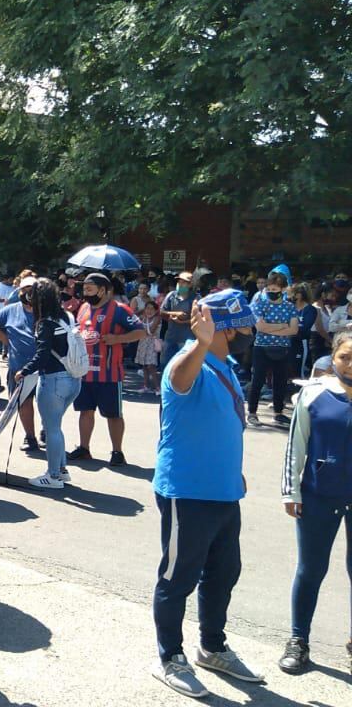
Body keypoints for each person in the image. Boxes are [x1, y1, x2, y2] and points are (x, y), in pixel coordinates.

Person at [150, 291, 262, 699]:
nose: (249, 332)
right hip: (189, 491)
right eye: (243, 326)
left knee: (224, 572)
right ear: (223, 328)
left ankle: (212, 647)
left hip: (224, 492)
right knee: (177, 577)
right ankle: (170, 657)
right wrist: (199, 341)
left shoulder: (226, 366)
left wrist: (235, 474)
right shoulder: (190, 361)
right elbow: (179, 381)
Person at [278, 329, 352, 674]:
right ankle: (298, 640)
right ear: (332, 358)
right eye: (345, 357)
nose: (350, 365)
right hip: (318, 495)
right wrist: (291, 491)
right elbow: (297, 446)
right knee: (311, 570)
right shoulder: (313, 394)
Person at [68, 272, 144, 466]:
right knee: (85, 411)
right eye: (84, 288)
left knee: (113, 414)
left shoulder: (120, 310)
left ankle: (117, 451)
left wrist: (118, 339)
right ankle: (84, 448)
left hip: (109, 373)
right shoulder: (83, 308)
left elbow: (141, 331)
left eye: (89, 289)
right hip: (85, 372)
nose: (85, 292)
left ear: (103, 290)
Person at [14, 279, 83, 489]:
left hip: (53, 380)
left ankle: (53, 476)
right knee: (56, 427)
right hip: (73, 377)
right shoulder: (67, 317)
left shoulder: (45, 323)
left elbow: (42, 354)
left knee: (51, 428)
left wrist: (24, 371)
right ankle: (61, 470)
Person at [0, 275, 40, 450]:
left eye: (31, 290)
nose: (27, 293)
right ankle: (30, 438)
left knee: (46, 404)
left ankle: (47, 432)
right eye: (24, 290)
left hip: (44, 368)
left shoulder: (46, 310)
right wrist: (6, 341)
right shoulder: (11, 309)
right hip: (18, 367)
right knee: (23, 403)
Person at [248, 273, 299, 425]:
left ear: (282, 289)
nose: (271, 291)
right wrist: (283, 326)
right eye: (269, 288)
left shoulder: (289, 307)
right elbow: (260, 327)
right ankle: (252, 412)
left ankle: (278, 412)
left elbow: (294, 330)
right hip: (261, 348)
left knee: (280, 381)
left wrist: (271, 328)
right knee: (257, 380)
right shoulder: (260, 304)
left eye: (275, 288)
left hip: (282, 348)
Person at [160, 272, 197, 367]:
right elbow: (161, 312)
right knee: (165, 364)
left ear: (190, 285)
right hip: (171, 336)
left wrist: (183, 321)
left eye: (184, 282)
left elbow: (199, 319)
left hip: (187, 339)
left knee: (184, 366)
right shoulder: (171, 295)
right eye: (179, 281)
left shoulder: (196, 298)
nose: (180, 284)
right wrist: (175, 314)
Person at [290, 282, 318, 380]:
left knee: (298, 370)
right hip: (286, 342)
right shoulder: (289, 307)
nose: (291, 296)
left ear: (301, 294)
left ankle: (298, 391)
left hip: (301, 343)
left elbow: (304, 327)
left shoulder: (310, 310)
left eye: (294, 293)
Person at [137, 301, 163, 393]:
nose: (149, 311)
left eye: (152, 309)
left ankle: (157, 387)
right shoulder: (143, 318)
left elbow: (151, 331)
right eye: (147, 308)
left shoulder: (157, 318)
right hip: (143, 343)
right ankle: (146, 386)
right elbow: (133, 316)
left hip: (152, 344)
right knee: (144, 365)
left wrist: (139, 331)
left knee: (151, 366)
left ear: (156, 310)